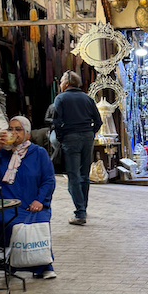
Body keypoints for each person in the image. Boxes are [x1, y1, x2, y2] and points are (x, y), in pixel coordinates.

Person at [0, 116, 56, 278]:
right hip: (7, 204)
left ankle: (42, 265)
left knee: (36, 222)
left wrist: (39, 200)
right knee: (8, 221)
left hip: (32, 203)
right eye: (10, 129)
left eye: (18, 129)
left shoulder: (38, 153)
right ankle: (10, 263)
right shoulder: (2, 152)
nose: (13, 133)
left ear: (27, 133)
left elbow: (48, 180)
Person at [53, 71, 101, 226]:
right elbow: (98, 121)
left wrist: (61, 137)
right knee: (84, 175)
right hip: (87, 137)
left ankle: (80, 212)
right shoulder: (87, 98)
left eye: (61, 81)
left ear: (67, 83)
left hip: (71, 137)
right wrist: (90, 132)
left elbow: (56, 121)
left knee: (73, 175)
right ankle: (83, 208)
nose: (60, 84)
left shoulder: (61, 98)